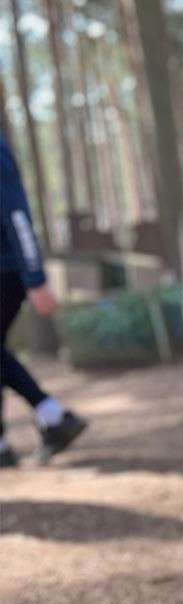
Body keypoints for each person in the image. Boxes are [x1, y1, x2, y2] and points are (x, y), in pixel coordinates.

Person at [0, 135, 88, 467]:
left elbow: (17, 215)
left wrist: (35, 278)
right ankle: (10, 441)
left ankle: (52, 415)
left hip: (6, 271)